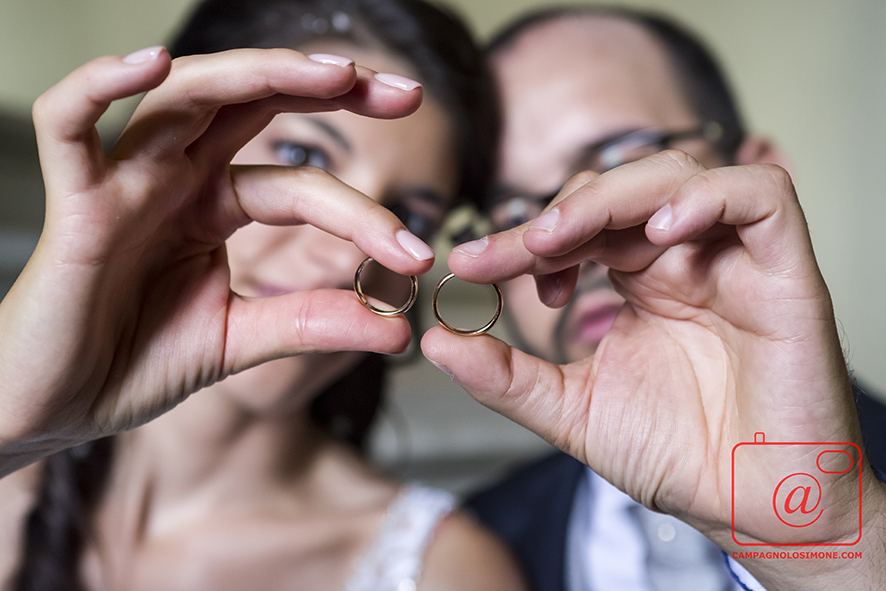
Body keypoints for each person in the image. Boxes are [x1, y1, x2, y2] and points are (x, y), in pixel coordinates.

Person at [0, 0, 528, 589]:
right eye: (302, 157)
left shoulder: (446, 572)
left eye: (406, 215)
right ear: (178, 140)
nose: (347, 256)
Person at [418, 5, 886, 591]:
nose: (575, 237)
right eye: (514, 211)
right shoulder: (474, 549)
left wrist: (833, 550)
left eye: (621, 167)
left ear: (757, 170)